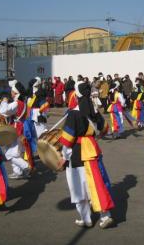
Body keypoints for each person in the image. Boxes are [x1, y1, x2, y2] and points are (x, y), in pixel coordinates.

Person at [58, 82, 114, 229]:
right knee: (96, 183)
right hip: (92, 150)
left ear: (76, 95)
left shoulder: (74, 113)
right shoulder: (94, 110)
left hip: (77, 153)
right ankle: (105, 215)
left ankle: (86, 218)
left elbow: (68, 140)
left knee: (78, 186)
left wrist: (64, 157)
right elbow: (105, 129)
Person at [0, 80, 33, 179]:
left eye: (12, 91)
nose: (11, 93)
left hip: (17, 129)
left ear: (15, 92)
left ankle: (26, 167)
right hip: (19, 127)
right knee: (15, 152)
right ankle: (17, 171)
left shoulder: (16, 103)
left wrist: (4, 101)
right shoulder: (22, 102)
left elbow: (3, 111)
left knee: (10, 153)